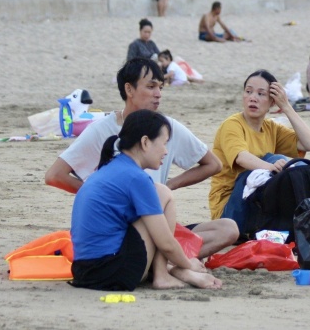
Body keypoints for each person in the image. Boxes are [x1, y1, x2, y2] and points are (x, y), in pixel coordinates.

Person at [45, 58, 238, 259]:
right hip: (123, 226)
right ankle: (169, 263)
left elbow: (213, 164)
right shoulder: (102, 130)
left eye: (161, 87)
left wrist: (168, 186)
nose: (158, 94)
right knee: (155, 236)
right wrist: (104, 199)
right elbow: (55, 175)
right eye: (151, 86)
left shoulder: (165, 127)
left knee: (228, 229)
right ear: (129, 90)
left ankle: (168, 261)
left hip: (158, 220)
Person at [70, 110, 222, 291]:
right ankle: (164, 275)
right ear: (145, 142)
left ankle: (167, 271)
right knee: (164, 193)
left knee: (157, 194)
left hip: (82, 271)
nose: (166, 151)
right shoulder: (137, 178)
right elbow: (166, 244)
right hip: (112, 274)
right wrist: (188, 264)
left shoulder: (111, 167)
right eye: (164, 143)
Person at [209, 70, 310, 219]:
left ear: (272, 102)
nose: (253, 98)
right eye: (248, 91)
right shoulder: (232, 124)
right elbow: (241, 157)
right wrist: (271, 167)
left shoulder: (271, 128)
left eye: (261, 94)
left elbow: (309, 144)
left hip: (257, 203)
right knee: (276, 160)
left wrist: (286, 106)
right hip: (228, 211)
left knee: (302, 168)